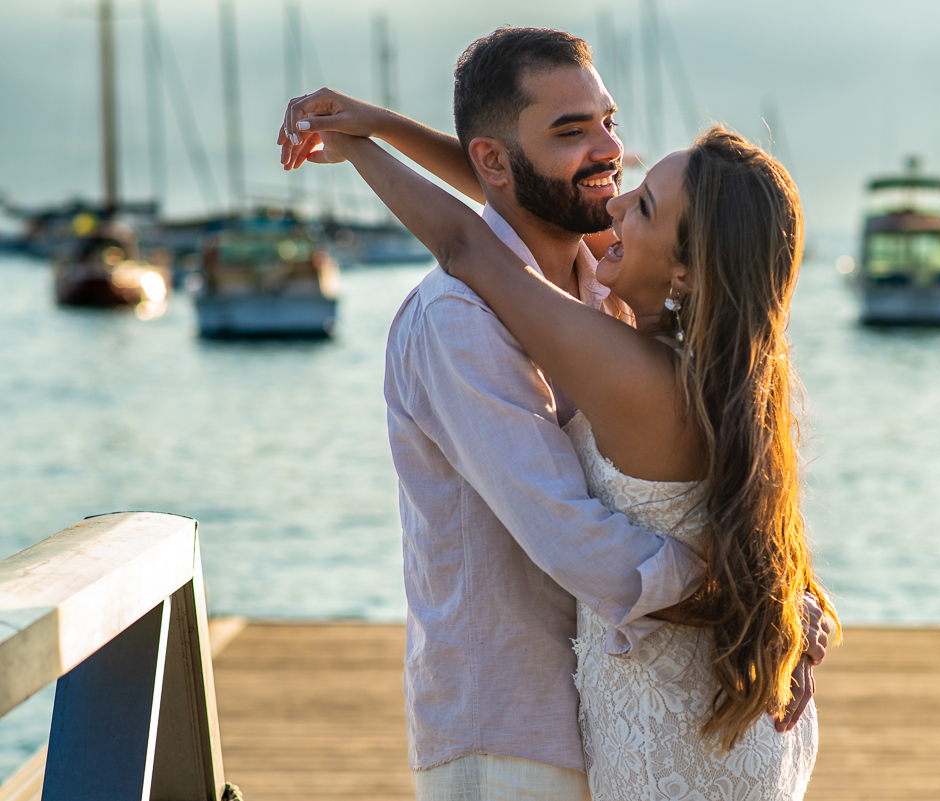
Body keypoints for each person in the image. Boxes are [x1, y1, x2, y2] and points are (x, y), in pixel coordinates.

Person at [279, 27, 834, 801]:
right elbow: (495, 207)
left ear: (684, 264)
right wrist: (761, 596)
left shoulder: (611, 298)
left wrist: (363, 140)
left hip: (666, 726)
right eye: (575, 129)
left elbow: (479, 227)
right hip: (515, 731)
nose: (612, 159)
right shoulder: (468, 319)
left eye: (609, 122)